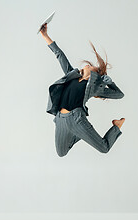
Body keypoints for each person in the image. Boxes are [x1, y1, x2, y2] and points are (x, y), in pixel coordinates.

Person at [40, 23, 125, 157]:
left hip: (76, 119)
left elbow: (120, 95)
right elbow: (59, 55)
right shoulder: (71, 75)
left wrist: (110, 83)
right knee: (61, 153)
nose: (87, 65)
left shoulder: (94, 87)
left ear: (95, 74)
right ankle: (82, 134)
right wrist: (45, 35)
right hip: (60, 119)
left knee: (104, 148)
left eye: (91, 66)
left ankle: (117, 126)